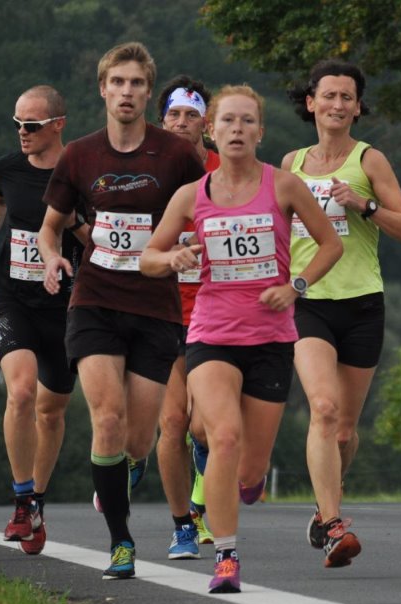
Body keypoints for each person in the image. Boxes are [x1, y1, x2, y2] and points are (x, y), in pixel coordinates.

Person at [141, 84, 343, 593]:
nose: (237, 129)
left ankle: (250, 482)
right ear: (212, 130)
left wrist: (296, 287)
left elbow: (330, 245)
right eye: (228, 121)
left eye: (247, 121)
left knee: (250, 469)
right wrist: (172, 258)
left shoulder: (284, 186)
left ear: (260, 132)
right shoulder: (192, 195)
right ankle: (226, 557)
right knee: (223, 437)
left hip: (271, 338)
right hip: (211, 334)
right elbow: (148, 258)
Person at [38, 42, 204, 579]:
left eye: (136, 83)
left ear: (148, 92)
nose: (126, 92)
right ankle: (121, 542)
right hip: (95, 300)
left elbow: (206, 214)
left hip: (156, 306)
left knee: (137, 438)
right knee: (106, 418)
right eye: (118, 82)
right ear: (102, 89)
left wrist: (187, 248)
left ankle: (129, 466)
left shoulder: (177, 156)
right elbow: (49, 228)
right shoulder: (79, 155)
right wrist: (51, 258)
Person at [283, 60, 401, 565]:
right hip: (308, 303)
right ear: (311, 103)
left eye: (347, 97)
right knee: (322, 408)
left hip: (362, 304)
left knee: (344, 431)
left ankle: (326, 505)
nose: (337, 104)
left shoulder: (369, 161)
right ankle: (335, 525)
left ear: (358, 107)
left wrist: (364, 205)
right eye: (329, 95)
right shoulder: (292, 164)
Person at [0, 85, 85, 556]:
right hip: (13, 296)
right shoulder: (8, 167)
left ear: (58, 125)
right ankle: (21, 502)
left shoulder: (80, 172)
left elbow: (100, 239)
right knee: (20, 393)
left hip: (65, 306)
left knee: (51, 409)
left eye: (32, 125)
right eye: (17, 123)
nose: (22, 132)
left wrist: (74, 225)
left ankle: (37, 499)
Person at [154, 75, 221, 553]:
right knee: (173, 423)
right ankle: (183, 525)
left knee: (203, 427)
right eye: (174, 115)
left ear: (206, 123)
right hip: (160, 309)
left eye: (191, 115)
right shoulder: (146, 171)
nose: (181, 122)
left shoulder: (225, 168)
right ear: (162, 122)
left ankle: (201, 495)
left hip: (214, 310)